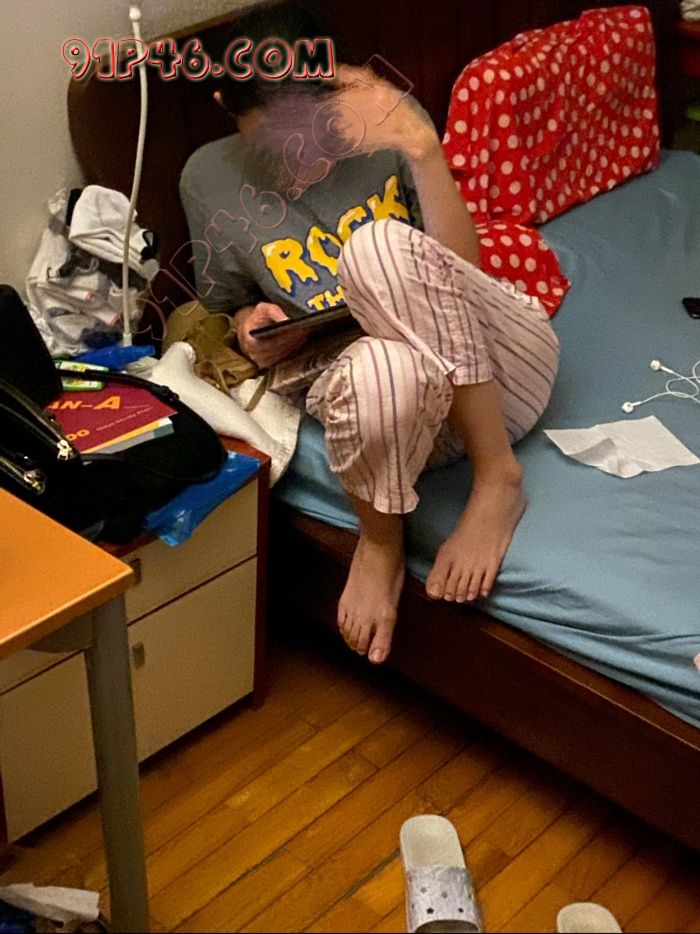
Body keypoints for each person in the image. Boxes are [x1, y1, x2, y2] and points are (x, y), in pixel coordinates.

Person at [180, 0, 560, 665]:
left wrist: (422, 149)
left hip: (500, 376)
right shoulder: (206, 181)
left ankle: (498, 476)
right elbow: (227, 309)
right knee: (376, 367)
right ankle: (382, 540)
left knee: (377, 248)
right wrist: (252, 328)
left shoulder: (387, 128)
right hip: (398, 426)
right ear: (224, 106)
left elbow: (460, 273)